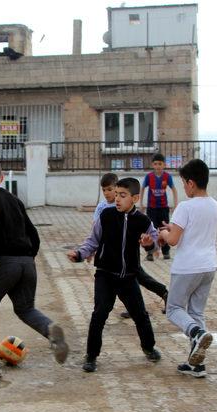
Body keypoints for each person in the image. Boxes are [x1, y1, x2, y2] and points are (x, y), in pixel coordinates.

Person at [0, 159, 69, 377]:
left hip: (5, 263)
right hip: (27, 262)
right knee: (25, 308)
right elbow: (33, 233)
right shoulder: (15, 199)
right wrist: (28, 258)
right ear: (2, 177)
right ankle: (50, 330)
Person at [67, 177, 162, 373]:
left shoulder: (143, 220)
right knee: (99, 314)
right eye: (116, 194)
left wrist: (149, 245)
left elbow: (154, 243)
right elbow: (92, 241)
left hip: (128, 277)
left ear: (135, 198)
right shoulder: (106, 216)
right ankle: (91, 356)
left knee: (140, 315)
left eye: (122, 195)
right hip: (105, 275)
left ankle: (149, 347)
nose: (117, 199)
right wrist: (79, 254)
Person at [158, 159, 217, 378]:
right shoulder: (214, 204)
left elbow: (173, 240)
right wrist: (173, 228)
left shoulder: (185, 206)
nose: (183, 187)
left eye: (184, 182)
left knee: (174, 308)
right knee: (196, 312)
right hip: (209, 266)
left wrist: (164, 233)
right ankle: (197, 365)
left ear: (191, 183)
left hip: (187, 267)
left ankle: (195, 332)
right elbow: (192, 231)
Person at [93, 173, 168, 320]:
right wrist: (91, 248)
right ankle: (138, 304)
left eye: (111, 190)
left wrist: (151, 245)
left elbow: (147, 231)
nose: (108, 193)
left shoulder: (126, 208)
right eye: (104, 190)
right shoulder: (103, 207)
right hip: (111, 256)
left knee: (138, 279)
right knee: (130, 281)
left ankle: (163, 294)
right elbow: (96, 230)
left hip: (127, 256)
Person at [140, 153, 178, 261]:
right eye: (155, 164)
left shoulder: (167, 177)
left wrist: (176, 204)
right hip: (151, 208)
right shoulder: (149, 177)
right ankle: (150, 252)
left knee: (164, 229)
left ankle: (166, 251)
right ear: (153, 165)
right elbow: (142, 188)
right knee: (150, 230)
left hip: (163, 208)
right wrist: (141, 204)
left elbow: (174, 189)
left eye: (160, 164)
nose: (158, 166)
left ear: (164, 165)